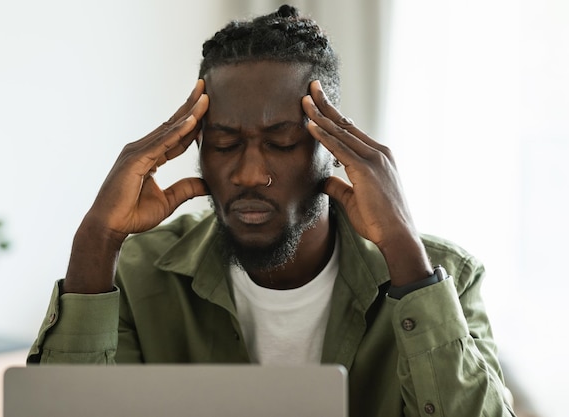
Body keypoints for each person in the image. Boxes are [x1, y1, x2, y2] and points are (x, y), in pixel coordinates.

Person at [28, 5, 515, 416]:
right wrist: (97, 237)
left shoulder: (444, 275)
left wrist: (403, 251)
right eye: (224, 143)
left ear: (335, 149)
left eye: (282, 142)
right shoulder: (135, 275)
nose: (248, 173)